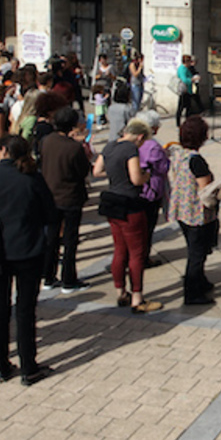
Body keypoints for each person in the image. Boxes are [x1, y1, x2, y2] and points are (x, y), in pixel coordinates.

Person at [0, 135, 57, 385]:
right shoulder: (32, 177)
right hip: (28, 250)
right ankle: (28, 367)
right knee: (25, 311)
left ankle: (0, 365)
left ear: (2, 151)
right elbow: (50, 213)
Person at [93, 119, 163, 313]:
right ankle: (137, 298)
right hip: (130, 203)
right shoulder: (130, 149)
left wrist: (115, 173)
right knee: (136, 252)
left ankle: (120, 292)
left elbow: (97, 171)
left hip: (112, 202)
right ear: (140, 137)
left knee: (119, 250)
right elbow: (136, 178)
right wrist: (146, 176)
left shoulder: (109, 146)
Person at [167, 116, 218, 305]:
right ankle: (192, 292)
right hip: (196, 213)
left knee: (195, 249)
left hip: (182, 209)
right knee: (197, 253)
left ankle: (200, 281)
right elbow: (206, 188)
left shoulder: (178, 154)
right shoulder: (197, 161)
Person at [40, 107, 91, 292]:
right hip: (70, 197)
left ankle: (48, 276)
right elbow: (83, 170)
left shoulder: (47, 141)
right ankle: (69, 279)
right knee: (70, 239)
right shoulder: (73, 147)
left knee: (51, 237)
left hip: (50, 195)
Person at [135, 109, 170, 266]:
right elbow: (163, 168)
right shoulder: (153, 146)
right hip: (150, 191)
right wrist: (166, 155)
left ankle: (137, 256)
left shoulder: (132, 141)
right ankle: (143, 257)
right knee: (147, 227)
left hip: (135, 190)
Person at [176, 54, 200, 126]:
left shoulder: (187, 68)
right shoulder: (182, 69)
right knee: (181, 108)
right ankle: (178, 124)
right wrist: (193, 79)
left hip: (188, 90)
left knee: (189, 108)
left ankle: (187, 122)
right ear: (186, 62)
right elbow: (184, 80)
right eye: (190, 61)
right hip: (184, 91)